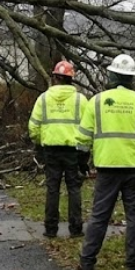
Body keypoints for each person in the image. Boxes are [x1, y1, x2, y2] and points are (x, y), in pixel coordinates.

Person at [77, 54, 135, 270]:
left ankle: (87, 262)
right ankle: (134, 264)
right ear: (132, 78)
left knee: (99, 216)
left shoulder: (97, 101)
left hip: (107, 168)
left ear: (112, 75)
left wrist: (83, 161)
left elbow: (83, 137)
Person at [28, 60, 89, 238]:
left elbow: (33, 127)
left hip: (51, 150)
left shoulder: (44, 99)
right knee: (74, 188)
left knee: (52, 188)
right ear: (71, 79)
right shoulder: (80, 100)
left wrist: (39, 144)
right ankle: (76, 228)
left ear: (55, 77)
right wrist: (85, 153)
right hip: (74, 151)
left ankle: (50, 229)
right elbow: (88, 129)